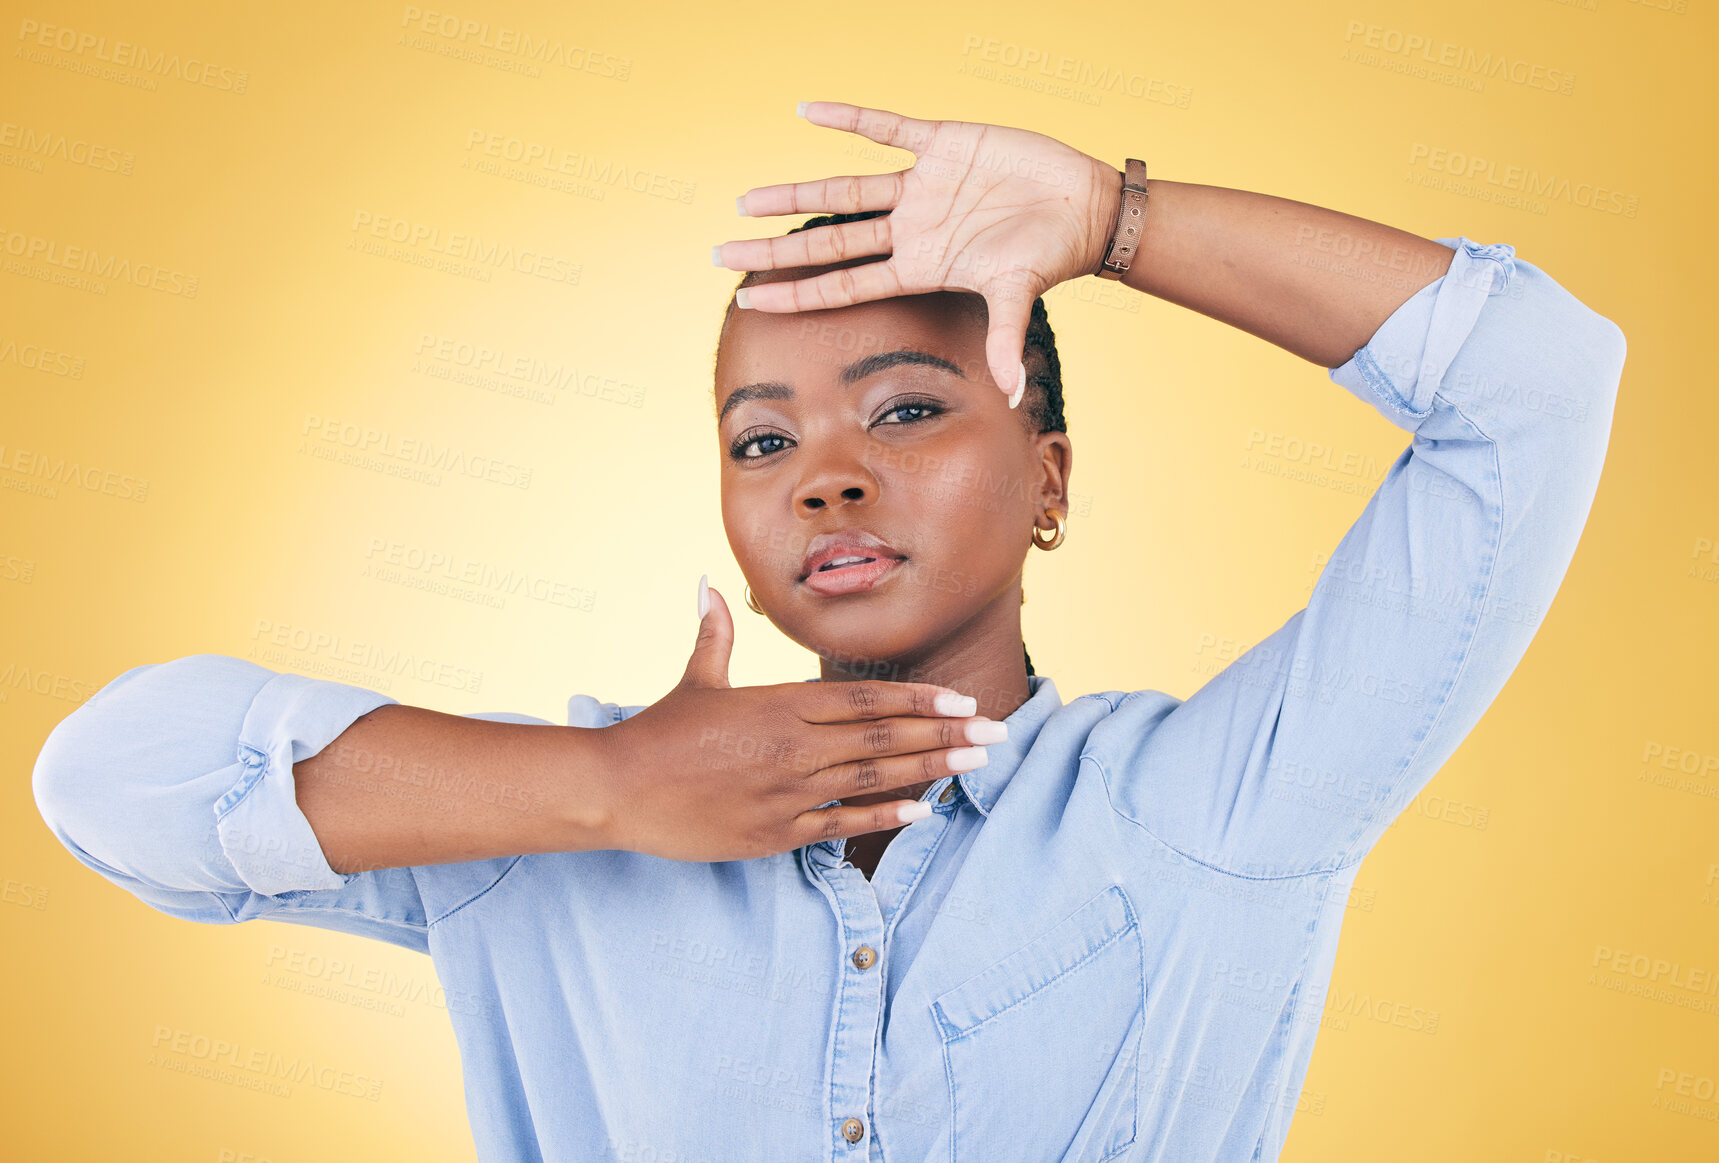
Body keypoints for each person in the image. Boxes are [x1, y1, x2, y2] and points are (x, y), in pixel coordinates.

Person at [31, 101, 1625, 1162]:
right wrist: (605, 792)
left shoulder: (1218, 809)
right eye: (762, 439)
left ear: (1046, 477)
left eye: (908, 409)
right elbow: (108, 785)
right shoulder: (554, 839)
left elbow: (1534, 387)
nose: (829, 478)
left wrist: (1112, 220)